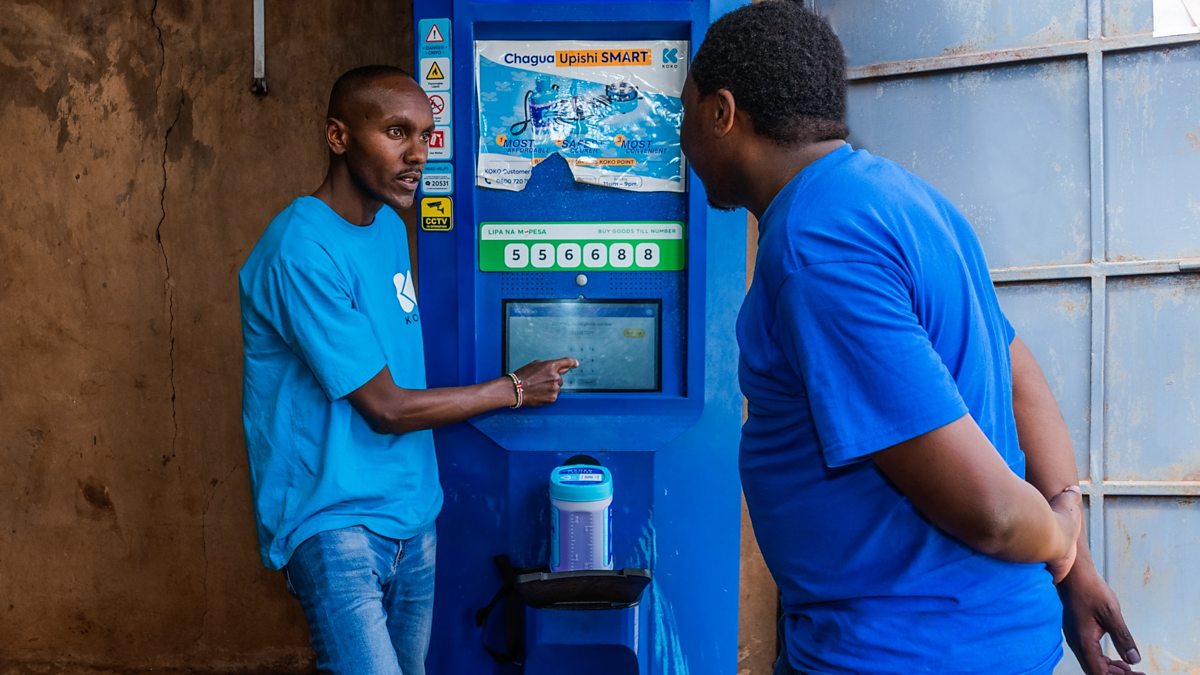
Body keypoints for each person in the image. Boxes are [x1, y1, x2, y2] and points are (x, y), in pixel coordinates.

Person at [680, 3, 1142, 674]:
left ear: (722, 113)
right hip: (976, 637)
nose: (682, 138)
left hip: (900, 651)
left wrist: (1062, 539)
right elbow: (1018, 373)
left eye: (685, 113)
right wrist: (1071, 546)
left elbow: (992, 512)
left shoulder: (818, 249)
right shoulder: (908, 200)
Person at [238, 65, 577, 674]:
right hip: (335, 523)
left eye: (425, 135)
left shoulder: (389, 228)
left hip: (412, 517)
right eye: (397, 132)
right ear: (338, 137)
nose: (418, 154)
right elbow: (387, 408)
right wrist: (514, 389)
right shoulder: (300, 250)